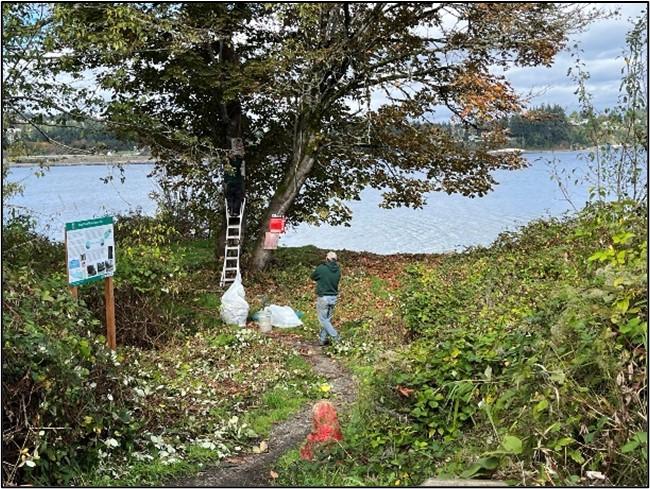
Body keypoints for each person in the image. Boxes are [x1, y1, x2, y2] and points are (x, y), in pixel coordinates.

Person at [310, 251, 341, 346]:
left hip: (324, 297)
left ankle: (336, 337)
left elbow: (313, 276)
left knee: (323, 320)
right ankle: (322, 340)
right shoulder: (338, 270)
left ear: (327, 259)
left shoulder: (322, 269)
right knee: (327, 320)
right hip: (333, 297)